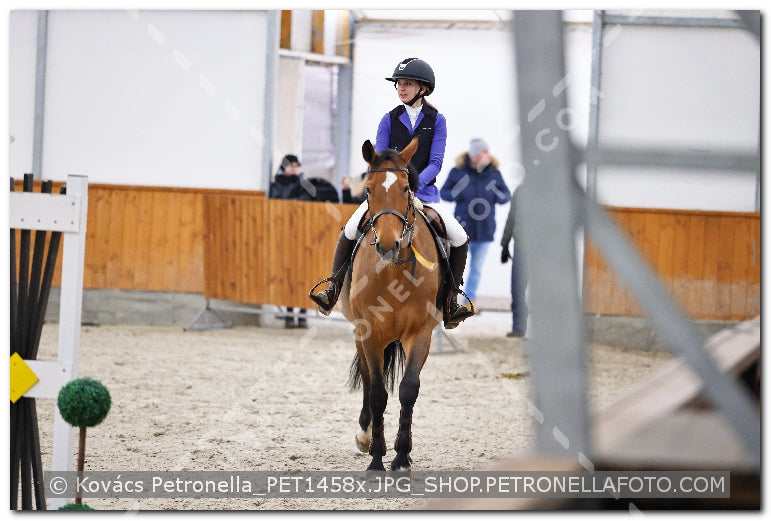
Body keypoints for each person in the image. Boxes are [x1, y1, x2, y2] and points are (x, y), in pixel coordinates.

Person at [310, 57, 474, 328]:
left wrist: (411, 186)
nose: (401, 88)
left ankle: (451, 301)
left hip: (423, 194)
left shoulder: (437, 121)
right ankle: (333, 288)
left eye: (407, 84)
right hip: (387, 194)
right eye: (399, 84)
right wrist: (393, 186)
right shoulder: (389, 119)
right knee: (350, 229)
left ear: (423, 88)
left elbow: (435, 162)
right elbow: (379, 157)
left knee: (459, 237)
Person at [440, 138, 511, 307]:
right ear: (474, 154)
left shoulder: (494, 173)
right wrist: (457, 192)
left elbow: (506, 196)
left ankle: (469, 301)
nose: (487, 155)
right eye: (483, 152)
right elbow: (444, 193)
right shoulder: (457, 172)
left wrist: (499, 195)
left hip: (484, 231)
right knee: (455, 268)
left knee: (476, 270)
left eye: (487, 152)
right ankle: (449, 300)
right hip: (461, 231)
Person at [269, 154, 308, 329]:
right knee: (287, 273)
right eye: (291, 166)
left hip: (302, 234)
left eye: (296, 166)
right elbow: (274, 203)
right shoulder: (276, 184)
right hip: (283, 233)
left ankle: (302, 313)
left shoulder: (304, 184)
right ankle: (288, 311)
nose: (294, 169)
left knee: (303, 273)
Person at [500, 185, 528, 338]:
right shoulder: (520, 190)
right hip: (522, 247)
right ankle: (519, 328)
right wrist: (504, 244)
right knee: (517, 291)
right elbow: (512, 218)